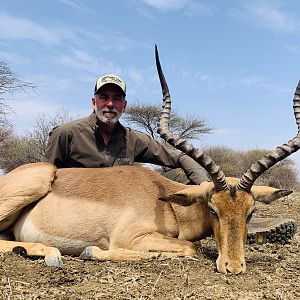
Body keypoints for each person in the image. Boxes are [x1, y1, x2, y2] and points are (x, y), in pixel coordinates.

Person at [45, 74, 296, 245]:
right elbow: (51, 175)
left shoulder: (133, 138)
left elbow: (178, 156)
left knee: (180, 177)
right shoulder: (66, 133)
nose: (110, 104)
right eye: (104, 97)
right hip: (85, 204)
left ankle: (233, 220)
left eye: (117, 98)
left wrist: (205, 188)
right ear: (93, 102)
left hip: (127, 204)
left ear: (125, 106)